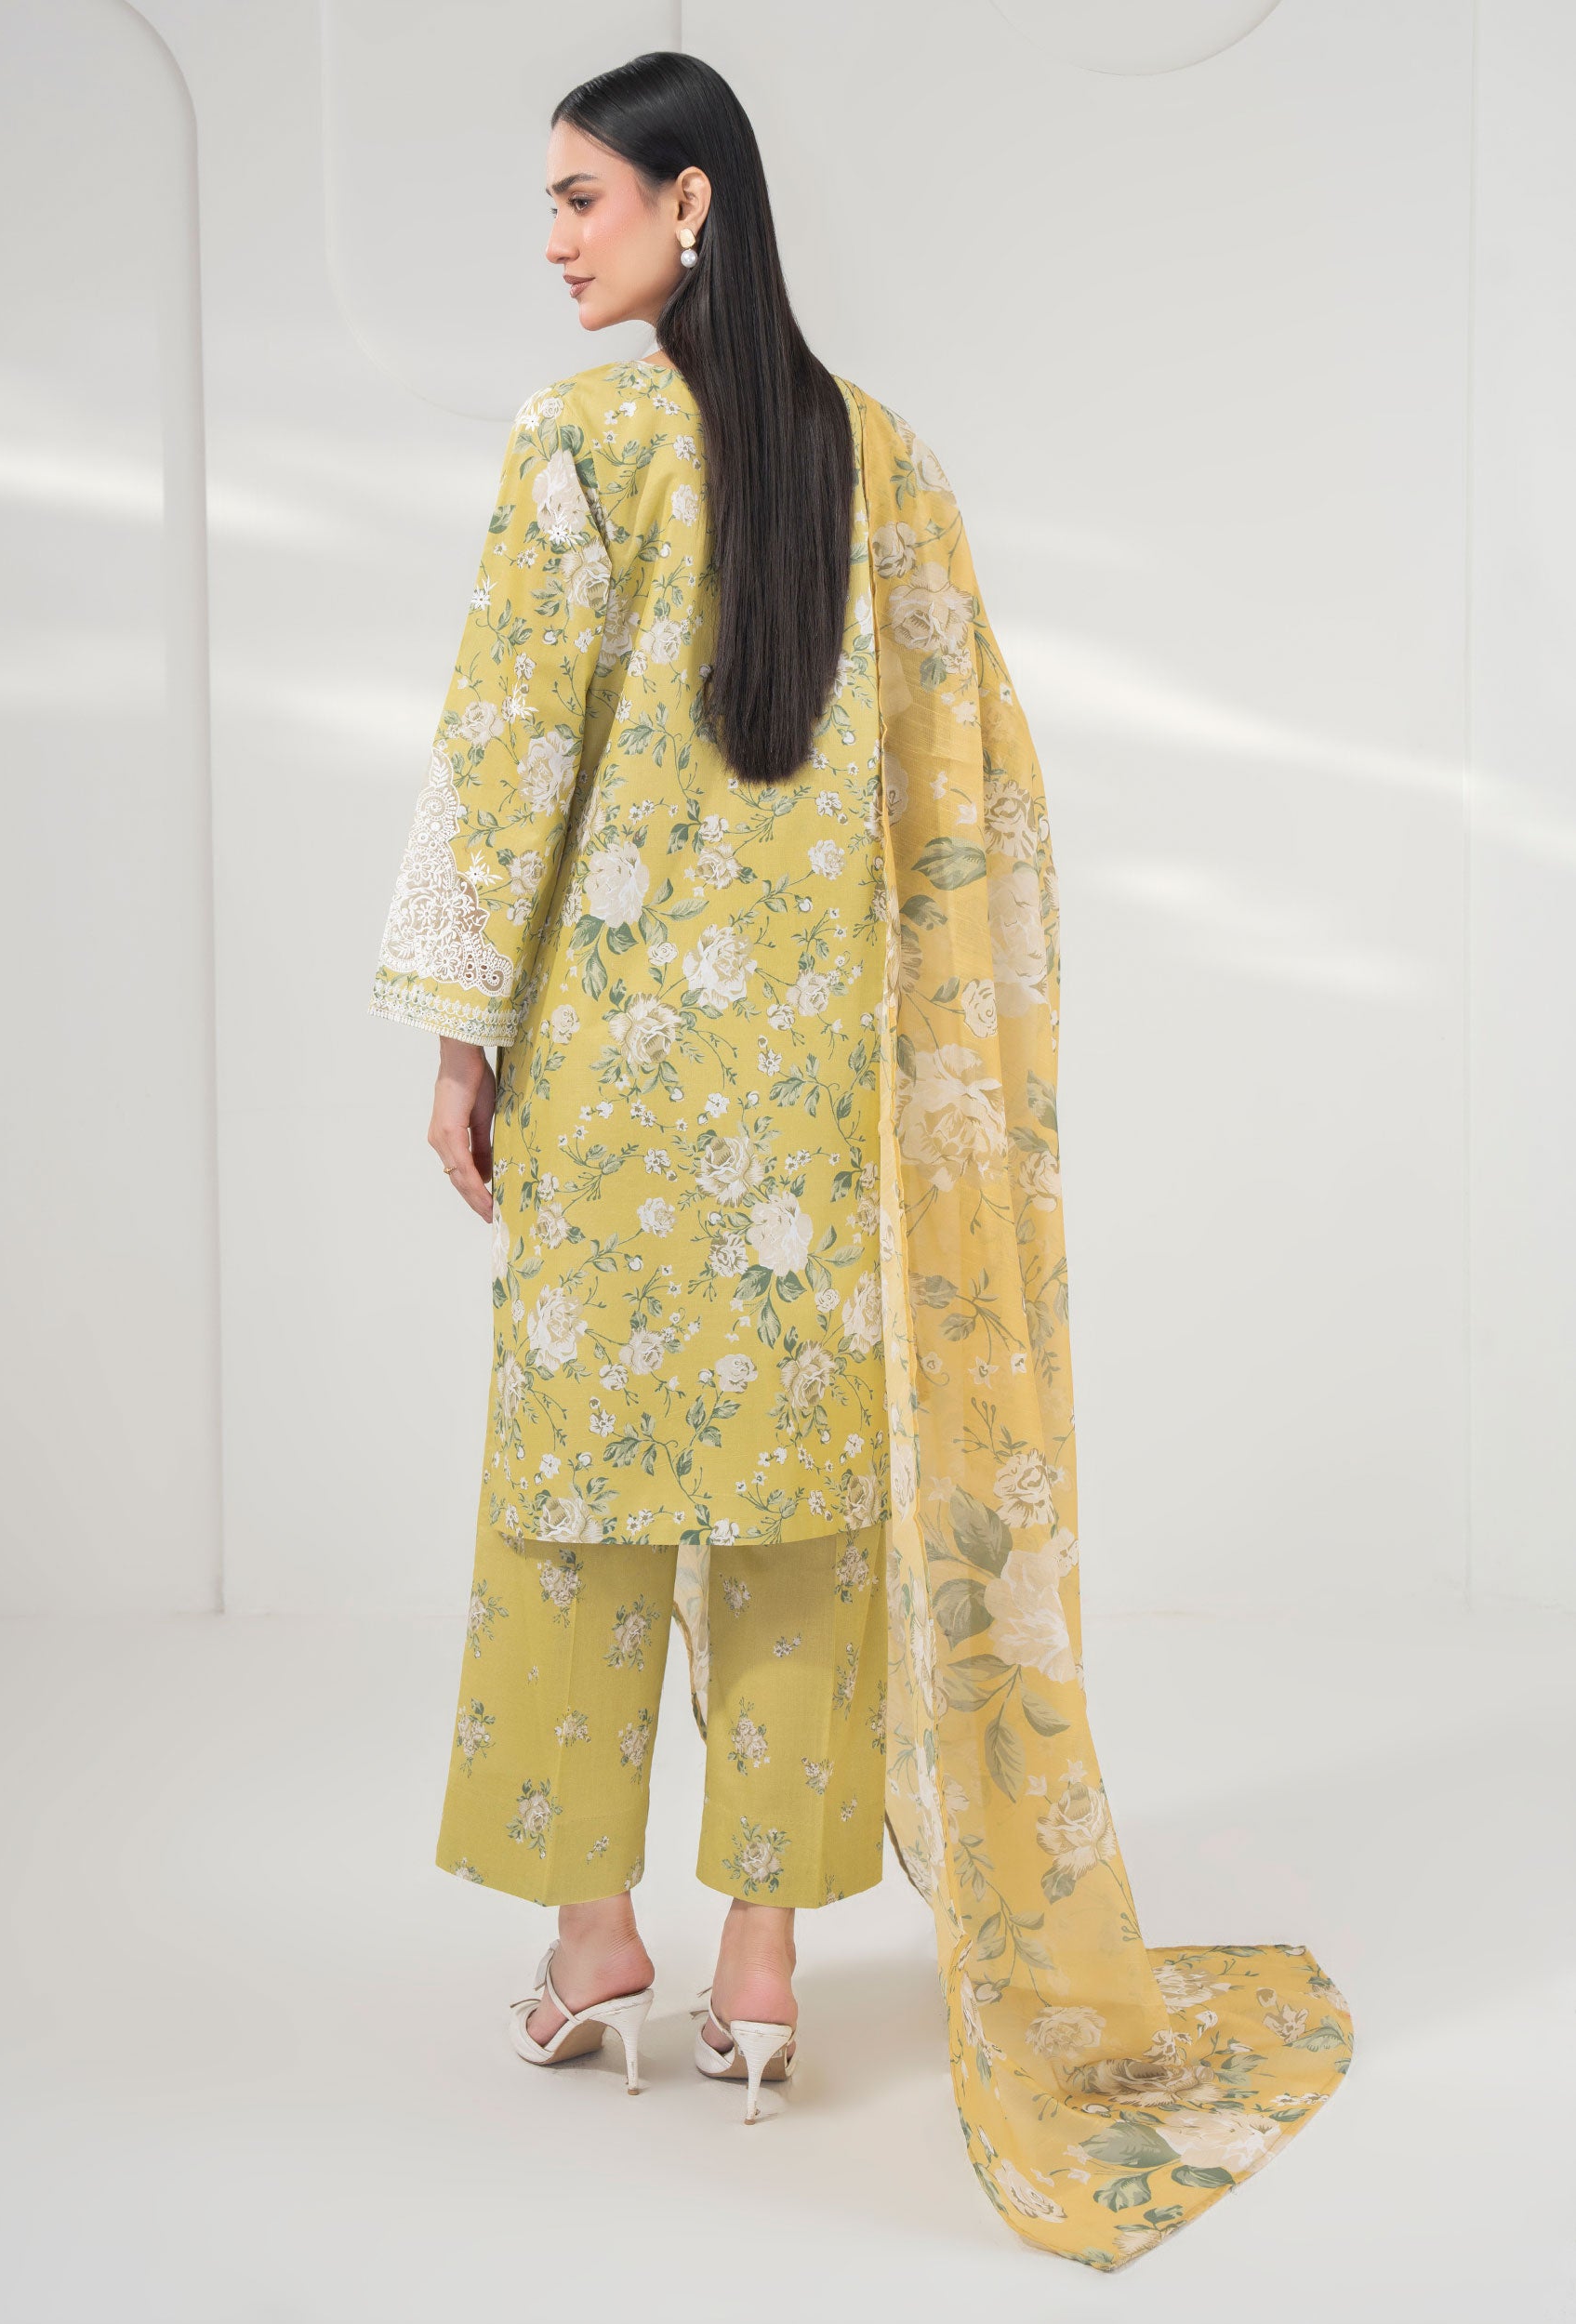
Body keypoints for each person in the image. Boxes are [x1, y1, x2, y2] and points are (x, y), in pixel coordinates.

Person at [372, 48, 1354, 2267]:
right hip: (812, 1105)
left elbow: (506, 757)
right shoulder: (873, 456)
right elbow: (960, 792)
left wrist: (459, 1042)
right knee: (797, 1516)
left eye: (579, 198)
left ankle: (591, 1937)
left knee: (575, 1500)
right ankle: (761, 1971)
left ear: (688, 204)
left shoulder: (577, 445)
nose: (551, 240)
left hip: (615, 1095)